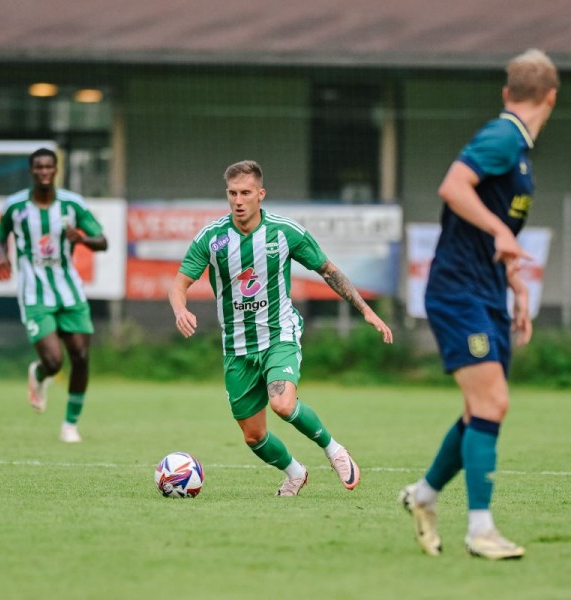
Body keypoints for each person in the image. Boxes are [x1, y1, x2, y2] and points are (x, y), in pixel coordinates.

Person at [399, 49, 559, 559]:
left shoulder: (518, 150)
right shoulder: (503, 137)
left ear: (508, 91)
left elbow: (496, 230)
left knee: (479, 410)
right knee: (493, 404)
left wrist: (516, 282)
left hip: (486, 290)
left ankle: (423, 496)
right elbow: (453, 186)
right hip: (458, 290)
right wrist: (498, 232)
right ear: (552, 97)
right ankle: (480, 530)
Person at [170, 160, 393, 496]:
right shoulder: (213, 238)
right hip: (237, 348)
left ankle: (334, 450)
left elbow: (328, 270)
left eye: (246, 193)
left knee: (283, 404)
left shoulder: (284, 232)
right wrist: (179, 308)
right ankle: (295, 473)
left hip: (279, 335)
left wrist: (366, 311)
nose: (238, 200)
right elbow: (179, 283)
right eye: (232, 193)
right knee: (253, 436)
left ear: (261, 194)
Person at [0, 147, 108, 443]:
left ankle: (70, 425)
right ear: (31, 171)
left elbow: (102, 241)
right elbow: (0, 234)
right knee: (55, 362)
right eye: (39, 167)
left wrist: (82, 238)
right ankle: (41, 374)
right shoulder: (15, 205)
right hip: (34, 294)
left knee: (81, 357)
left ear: (56, 170)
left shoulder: (72, 205)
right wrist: (3, 257)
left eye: (49, 167)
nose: (44, 172)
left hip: (69, 290)